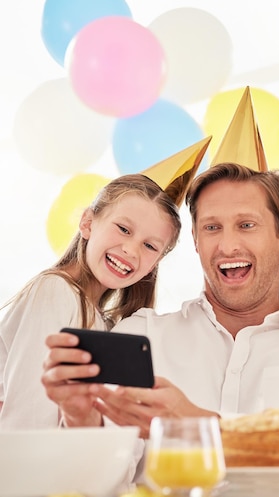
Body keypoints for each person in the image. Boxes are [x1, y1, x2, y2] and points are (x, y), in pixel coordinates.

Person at [41, 163, 279, 449]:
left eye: (246, 225)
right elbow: (109, 477)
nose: (227, 246)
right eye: (212, 228)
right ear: (196, 242)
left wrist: (192, 425)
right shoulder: (139, 334)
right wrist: (80, 416)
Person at [0, 174, 181, 429]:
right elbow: (27, 418)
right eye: (124, 229)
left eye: (150, 246)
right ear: (87, 223)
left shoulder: (105, 322)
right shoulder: (55, 290)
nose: (131, 249)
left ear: (156, 262)